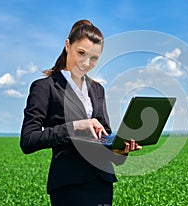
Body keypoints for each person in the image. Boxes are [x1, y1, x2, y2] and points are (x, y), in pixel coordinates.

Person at [20, 19, 141, 206]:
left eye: (94, 58)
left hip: (102, 184)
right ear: (68, 45)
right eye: (81, 53)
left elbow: (104, 137)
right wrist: (76, 126)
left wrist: (118, 150)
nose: (86, 63)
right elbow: (28, 140)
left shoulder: (97, 89)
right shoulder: (45, 87)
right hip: (69, 186)